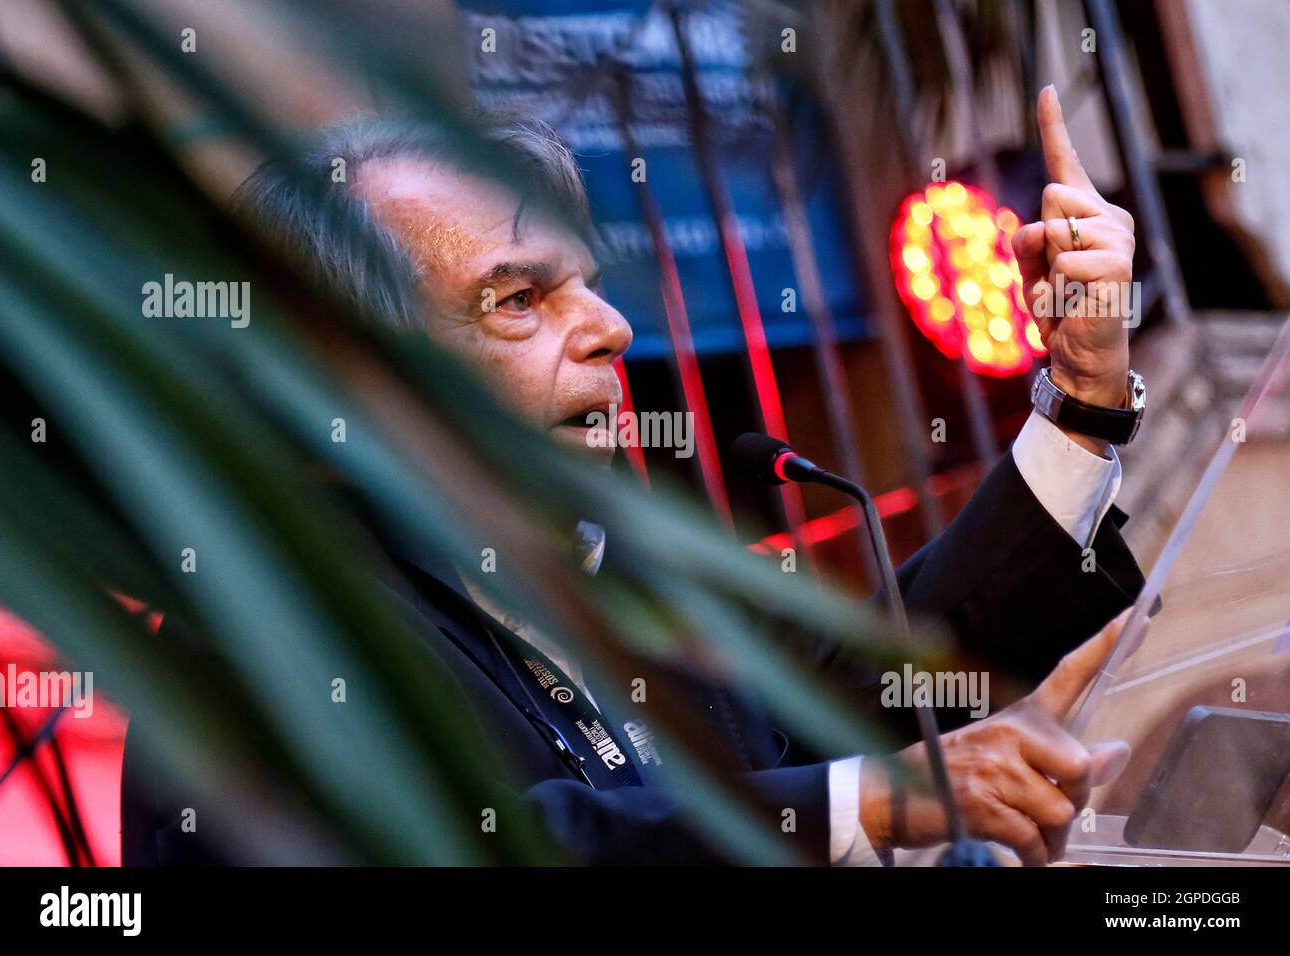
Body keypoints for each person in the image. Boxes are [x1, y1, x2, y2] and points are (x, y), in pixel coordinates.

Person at [122, 87, 1145, 866]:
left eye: (591, 285)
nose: (611, 329)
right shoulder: (257, 610)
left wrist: (1080, 401)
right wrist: (854, 801)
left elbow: (841, 714)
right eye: (518, 298)